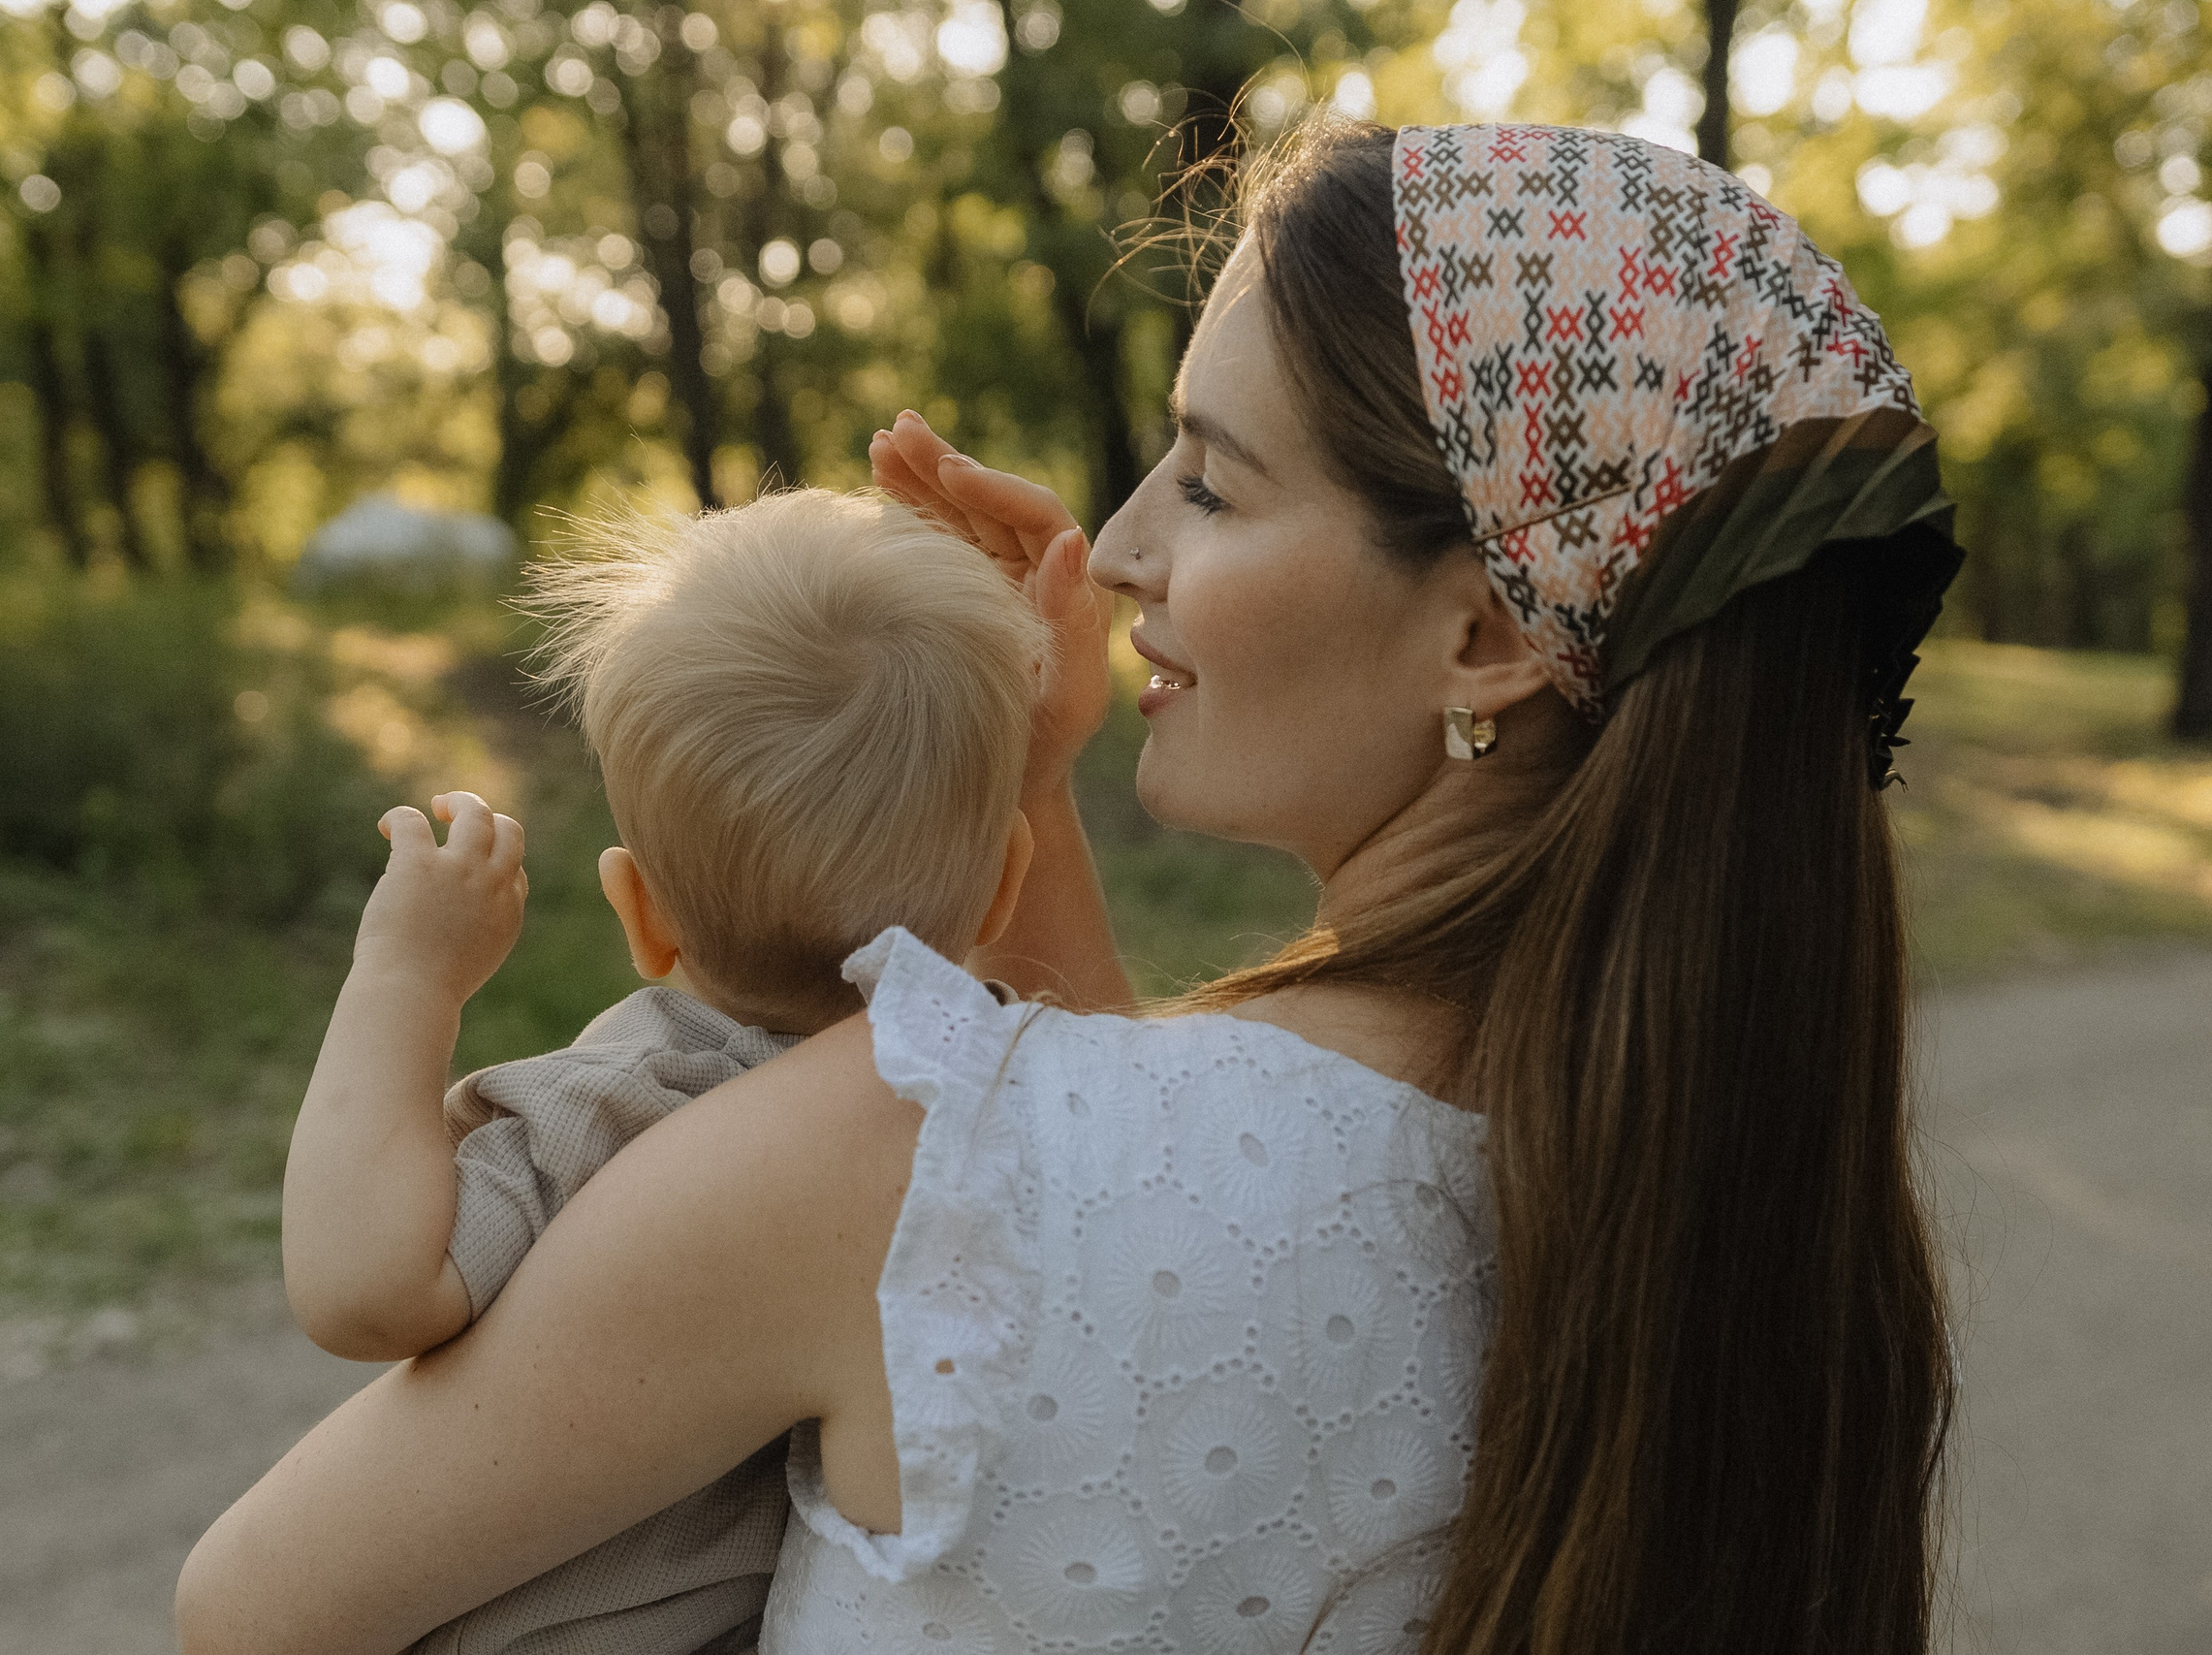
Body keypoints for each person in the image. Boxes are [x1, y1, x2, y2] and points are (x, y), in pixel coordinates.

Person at [179, 118, 1962, 1655]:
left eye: (1208, 477)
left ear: (1487, 631)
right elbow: (1159, 1244)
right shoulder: (1712, 1190)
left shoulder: (887, 1156)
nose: (1111, 549)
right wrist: (1019, 783)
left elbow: (253, 1607)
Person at [276, 489, 1044, 1654]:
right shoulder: (1006, 1118)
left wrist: (404, 983)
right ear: (1005, 884)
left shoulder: (626, 1110)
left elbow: (359, 1289)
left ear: (639, 911)